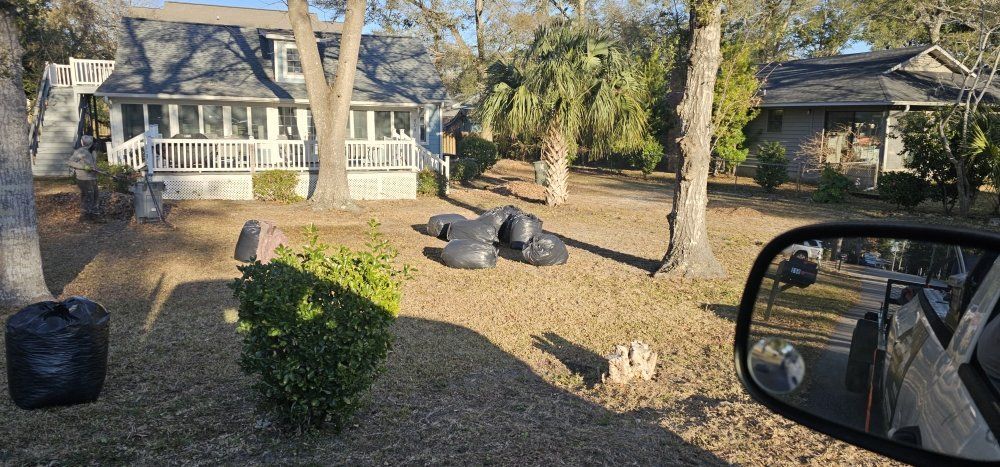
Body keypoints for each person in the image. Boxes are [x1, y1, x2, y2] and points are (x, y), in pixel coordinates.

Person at [67, 135, 101, 221]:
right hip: (84, 179)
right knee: (88, 196)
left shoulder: (91, 152)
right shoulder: (80, 151)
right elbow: (70, 162)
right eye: (94, 143)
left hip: (92, 178)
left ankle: (95, 215)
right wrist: (83, 167)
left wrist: (98, 170)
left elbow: (93, 165)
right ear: (90, 143)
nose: (96, 145)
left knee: (95, 196)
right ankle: (85, 216)